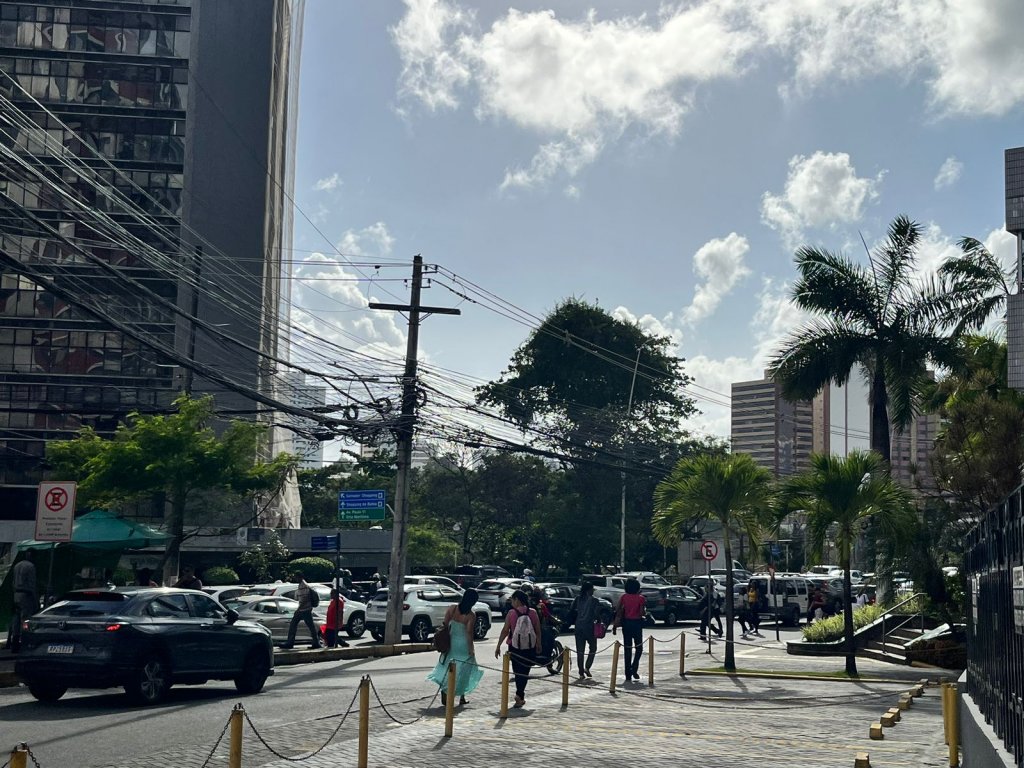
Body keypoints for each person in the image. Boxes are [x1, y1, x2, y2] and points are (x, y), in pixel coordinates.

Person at [428, 588, 484, 707]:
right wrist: (471, 650)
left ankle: (445, 689)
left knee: (448, 668)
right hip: (463, 645)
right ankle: (462, 696)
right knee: (464, 670)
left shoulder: (452, 608)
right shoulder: (471, 615)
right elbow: (469, 633)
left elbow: (445, 624)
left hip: (451, 644)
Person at [495, 589, 542, 709]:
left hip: (514, 646)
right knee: (525, 672)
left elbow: (505, 630)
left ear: (518, 600)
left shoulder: (511, 613)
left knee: (517, 672)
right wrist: (538, 644)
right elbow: (537, 630)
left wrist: (498, 645)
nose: (511, 602)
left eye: (513, 599)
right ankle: (519, 694)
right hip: (529, 646)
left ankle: (519, 695)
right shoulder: (532, 612)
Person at [613, 577, 646, 683]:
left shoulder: (623, 597)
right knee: (639, 648)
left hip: (626, 624)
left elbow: (617, 609)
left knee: (628, 648)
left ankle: (628, 674)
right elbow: (641, 613)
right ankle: (634, 668)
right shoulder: (641, 598)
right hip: (637, 624)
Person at [569, 581, 602, 679]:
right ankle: (587, 667)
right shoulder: (594, 600)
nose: (593, 591)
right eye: (592, 590)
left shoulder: (577, 599)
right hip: (589, 627)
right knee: (593, 647)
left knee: (580, 650)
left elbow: (572, 610)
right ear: (589, 590)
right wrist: (599, 621)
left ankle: (581, 672)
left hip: (578, 626)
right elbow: (596, 614)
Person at [282, 571, 321, 650]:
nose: (295, 578)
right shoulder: (301, 585)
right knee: (309, 626)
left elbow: (304, 600)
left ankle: (290, 643)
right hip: (305, 609)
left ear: (300, 577)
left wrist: (298, 609)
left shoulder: (303, 586)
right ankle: (316, 642)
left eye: (296, 577)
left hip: (304, 609)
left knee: (296, 624)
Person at [10, 551, 37, 653]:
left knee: (16, 619)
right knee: (25, 619)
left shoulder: (17, 565)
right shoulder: (31, 567)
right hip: (26, 595)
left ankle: (15, 642)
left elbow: (13, 581)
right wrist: (35, 601)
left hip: (16, 594)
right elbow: (32, 584)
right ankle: (24, 641)